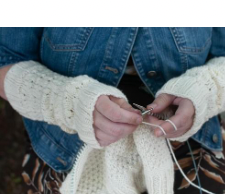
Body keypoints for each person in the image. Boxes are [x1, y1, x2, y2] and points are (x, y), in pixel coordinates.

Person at [0, 27, 225, 194]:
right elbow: (6, 59)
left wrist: (206, 89)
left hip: (192, 149)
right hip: (65, 148)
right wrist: (69, 102)